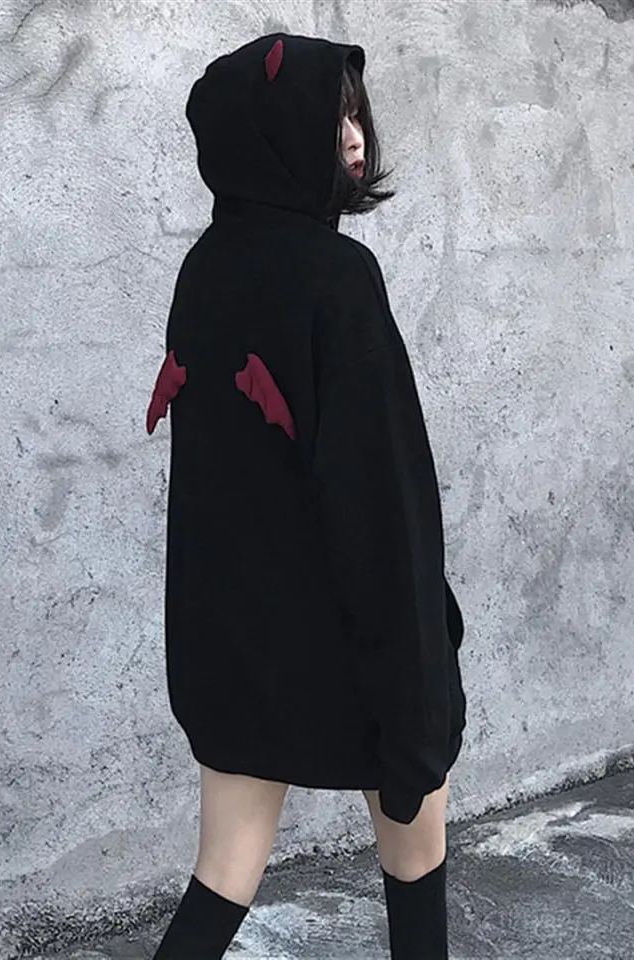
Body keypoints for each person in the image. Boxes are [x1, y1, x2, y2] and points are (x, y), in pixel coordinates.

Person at [145, 32, 467, 960]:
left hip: (237, 650)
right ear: (274, 135)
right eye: (331, 119)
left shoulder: (205, 270)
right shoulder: (338, 279)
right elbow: (384, 500)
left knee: (223, 871)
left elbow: (211, 490)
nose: (355, 137)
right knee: (415, 856)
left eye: (356, 115)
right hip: (356, 644)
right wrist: (418, 692)